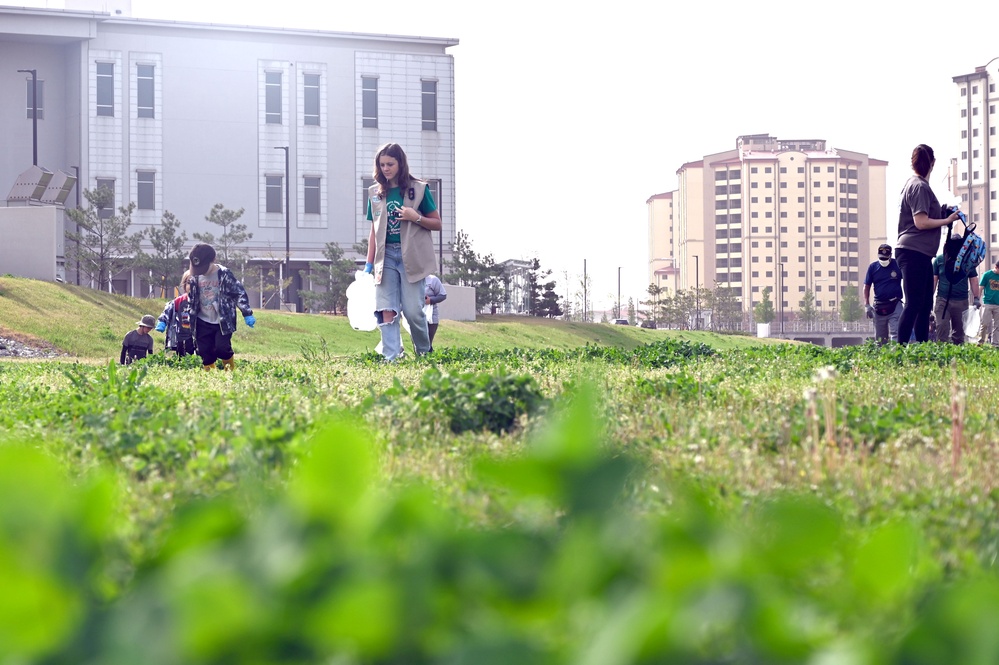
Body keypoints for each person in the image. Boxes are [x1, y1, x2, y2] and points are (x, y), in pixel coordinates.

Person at [363, 143, 441, 362]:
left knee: (413, 311)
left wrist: (413, 216)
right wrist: (368, 264)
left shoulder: (418, 189)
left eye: (390, 164)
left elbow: (437, 224)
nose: (386, 168)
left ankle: (424, 353)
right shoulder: (375, 194)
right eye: (382, 164)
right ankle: (391, 356)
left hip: (411, 257)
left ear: (400, 164)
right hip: (385, 257)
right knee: (386, 308)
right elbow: (374, 231)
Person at [895, 144, 964, 344]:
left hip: (921, 253)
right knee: (914, 303)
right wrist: (947, 221)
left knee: (925, 305)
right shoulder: (919, 187)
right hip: (912, 251)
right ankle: (900, 348)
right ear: (932, 164)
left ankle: (923, 348)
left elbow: (925, 214)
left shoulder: (913, 184)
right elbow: (921, 222)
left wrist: (942, 211)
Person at [186, 243, 255, 371]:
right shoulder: (194, 277)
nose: (200, 271)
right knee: (204, 351)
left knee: (222, 348)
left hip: (222, 321)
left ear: (213, 260)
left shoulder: (224, 274)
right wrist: (189, 314)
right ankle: (211, 376)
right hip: (202, 320)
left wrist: (247, 313)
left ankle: (230, 371)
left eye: (203, 267)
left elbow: (238, 292)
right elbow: (192, 297)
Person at [933, 236, 981, 344]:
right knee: (942, 329)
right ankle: (942, 357)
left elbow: (974, 280)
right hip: (943, 300)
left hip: (961, 301)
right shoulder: (939, 260)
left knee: (959, 335)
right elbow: (934, 281)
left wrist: (976, 298)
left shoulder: (967, 261)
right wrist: (928, 298)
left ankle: (958, 358)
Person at [863, 243, 903, 343]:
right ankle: (882, 357)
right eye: (882, 258)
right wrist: (867, 305)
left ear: (890, 255)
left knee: (896, 334)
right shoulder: (873, 267)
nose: (883, 260)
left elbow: (908, 281)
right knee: (880, 339)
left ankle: (896, 355)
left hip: (895, 304)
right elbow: (866, 287)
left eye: (885, 258)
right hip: (879, 306)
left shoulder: (898, 265)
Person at [155, 270, 196, 357]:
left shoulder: (203, 302)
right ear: (184, 285)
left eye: (195, 283)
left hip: (199, 334)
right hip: (182, 333)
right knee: (182, 353)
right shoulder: (179, 301)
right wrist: (162, 322)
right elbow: (168, 310)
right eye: (189, 283)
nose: (192, 286)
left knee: (200, 353)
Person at [978, 259, 999, 345]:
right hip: (988, 303)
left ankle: (995, 343)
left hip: (998, 304)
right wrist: (977, 300)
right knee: (985, 324)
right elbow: (981, 287)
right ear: (996, 267)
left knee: (997, 326)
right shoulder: (987, 275)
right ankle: (981, 341)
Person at [424, 274, 447, 352]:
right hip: (415, 315)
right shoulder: (411, 279)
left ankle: (430, 360)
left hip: (431, 316)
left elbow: (443, 295)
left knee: (427, 344)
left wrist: (430, 300)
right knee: (417, 342)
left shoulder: (432, 280)